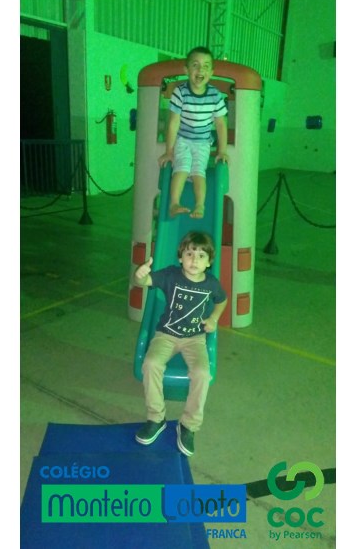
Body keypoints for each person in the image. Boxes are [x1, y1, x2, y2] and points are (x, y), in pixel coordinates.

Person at [132, 231, 228, 456]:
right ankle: (156, 418)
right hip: (166, 334)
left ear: (209, 262)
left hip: (195, 338)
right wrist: (140, 275)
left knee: (202, 373)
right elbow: (146, 281)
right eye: (189, 254)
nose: (194, 260)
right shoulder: (171, 275)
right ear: (180, 257)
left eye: (201, 256)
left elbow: (222, 300)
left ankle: (188, 425)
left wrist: (214, 319)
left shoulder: (211, 283)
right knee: (151, 364)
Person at [158, 47, 229, 220]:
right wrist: (169, 151)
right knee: (182, 167)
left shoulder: (215, 95)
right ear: (186, 70)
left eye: (206, 66)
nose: (200, 70)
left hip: (203, 142)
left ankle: (200, 204)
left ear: (211, 72)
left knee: (198, 171)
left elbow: (221, 124)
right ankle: (174, 203)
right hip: (183, 139)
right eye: (195, 65)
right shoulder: (180, 92)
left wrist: (222, 150)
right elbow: (173, 123)